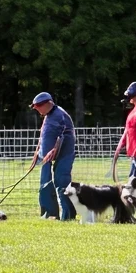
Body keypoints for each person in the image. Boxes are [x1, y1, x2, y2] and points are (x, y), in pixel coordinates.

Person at [30, 92, 77, 220]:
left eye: (39, 105)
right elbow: (43, 137)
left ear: (49, 103)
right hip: (47, 157)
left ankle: (67, 216)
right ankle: (50, 214)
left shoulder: (58, 115)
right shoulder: (48, 115)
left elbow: (60, 136)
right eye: (35, 106)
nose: (37, 108)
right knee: (45, 183)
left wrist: (53, 151)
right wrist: (38, 154)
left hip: (64, 154)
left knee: (62, 182)